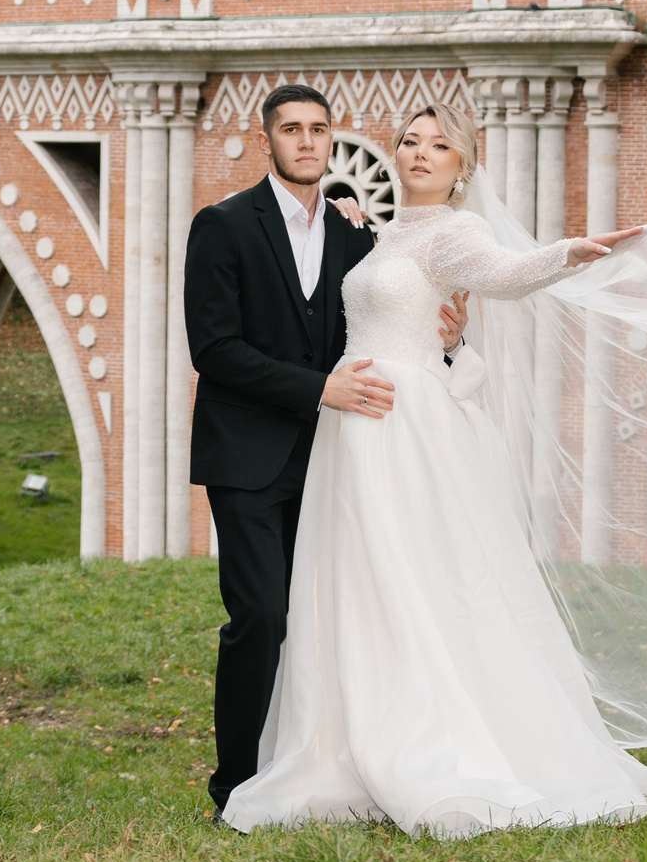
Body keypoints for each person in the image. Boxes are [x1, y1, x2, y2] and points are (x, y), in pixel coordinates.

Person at [218, 99, 647, 838]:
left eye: (440, 146)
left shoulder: (459, 230)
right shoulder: (377, 232)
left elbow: (503, 273)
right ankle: (341, 743)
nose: (421, 153)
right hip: (351, 428)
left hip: (407, 422)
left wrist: (566, 253)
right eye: (411, 142)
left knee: (417, 576)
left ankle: (429, 732)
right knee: (351, 585)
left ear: (464, 167)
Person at [180, 84, 464, 816]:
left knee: (327, 617)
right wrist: (319, 388)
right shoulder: (221, 225)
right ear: (267, 139)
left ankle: (316, 759)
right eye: (291, 129)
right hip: (245, 456)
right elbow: (214, 349)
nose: (306, 141)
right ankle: (234, 784)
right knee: (262, 616)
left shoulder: (355, 235)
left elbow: (377, 331)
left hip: (334, 458)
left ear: (332, 139)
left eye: (318, 129)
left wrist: (450, 341)